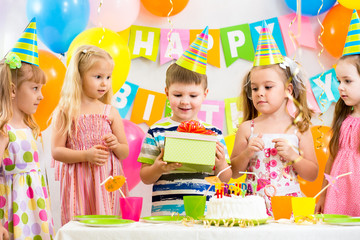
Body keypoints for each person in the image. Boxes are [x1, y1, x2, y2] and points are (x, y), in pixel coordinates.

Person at [138, 27, 232, 216]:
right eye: (178, 94)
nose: (185, 101)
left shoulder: (214, 133)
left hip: (205, 216)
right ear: (166, 93)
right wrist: (158, 167)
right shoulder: (157, 131)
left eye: (193, 95)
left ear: (205, 95)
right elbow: (145, 177)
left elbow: (226, 179)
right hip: (165, 216)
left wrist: (221, 164)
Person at [231, 22, 318, 215]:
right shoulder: (247, 128)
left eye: (268, 87)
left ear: (288, 90)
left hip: (289, 207)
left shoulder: (299, 128)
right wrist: (246, 154)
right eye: (255, 88)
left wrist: (294, 156)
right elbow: (233, 173)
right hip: (253, 207)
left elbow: (312, 174)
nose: (260, 93)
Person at [51, 45, 129, 225]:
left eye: (108, 77)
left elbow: (124, 152)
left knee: (107, 228)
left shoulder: (110, 112)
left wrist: (116, 145)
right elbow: (56, 151)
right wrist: (85, 155)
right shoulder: (66, 111)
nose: (105, 83)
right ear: (79, 78)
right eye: (98, 77)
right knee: (80, 227)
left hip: (107, 181)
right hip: (79, 183)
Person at [0, 18, 54, 239]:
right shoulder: (4, 131)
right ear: (13, 90)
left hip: (36, 213)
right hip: (14, 212)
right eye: (34, 88)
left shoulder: (31, 128)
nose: (41, 95)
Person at [315, 10, 360, 216]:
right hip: (338, 191)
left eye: (348, 81)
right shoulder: (343, 117)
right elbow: (332, 157)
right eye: (339, 81)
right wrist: (323, 193)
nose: (340, 87)